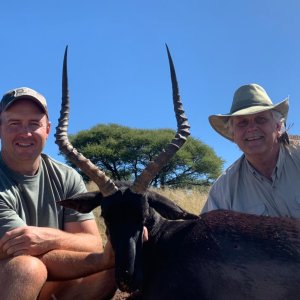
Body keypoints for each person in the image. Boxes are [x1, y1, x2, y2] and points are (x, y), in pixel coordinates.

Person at [0, 87, 116, 299]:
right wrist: (101, 258)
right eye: (14, 123)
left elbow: (91, 242)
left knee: (109, 271)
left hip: (44, 277)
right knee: (27, 268)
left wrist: (48, 237)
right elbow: (25, 249)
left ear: (47, 129)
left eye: (34, 123)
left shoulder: (67, 176)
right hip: (15, 275)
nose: (25, 133)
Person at [201, 83, 300, 218]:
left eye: (261, 119)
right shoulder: (223, 189)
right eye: (242, 123)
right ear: (233, 135)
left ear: (278, 127)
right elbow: (206, 233)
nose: (252, 128)